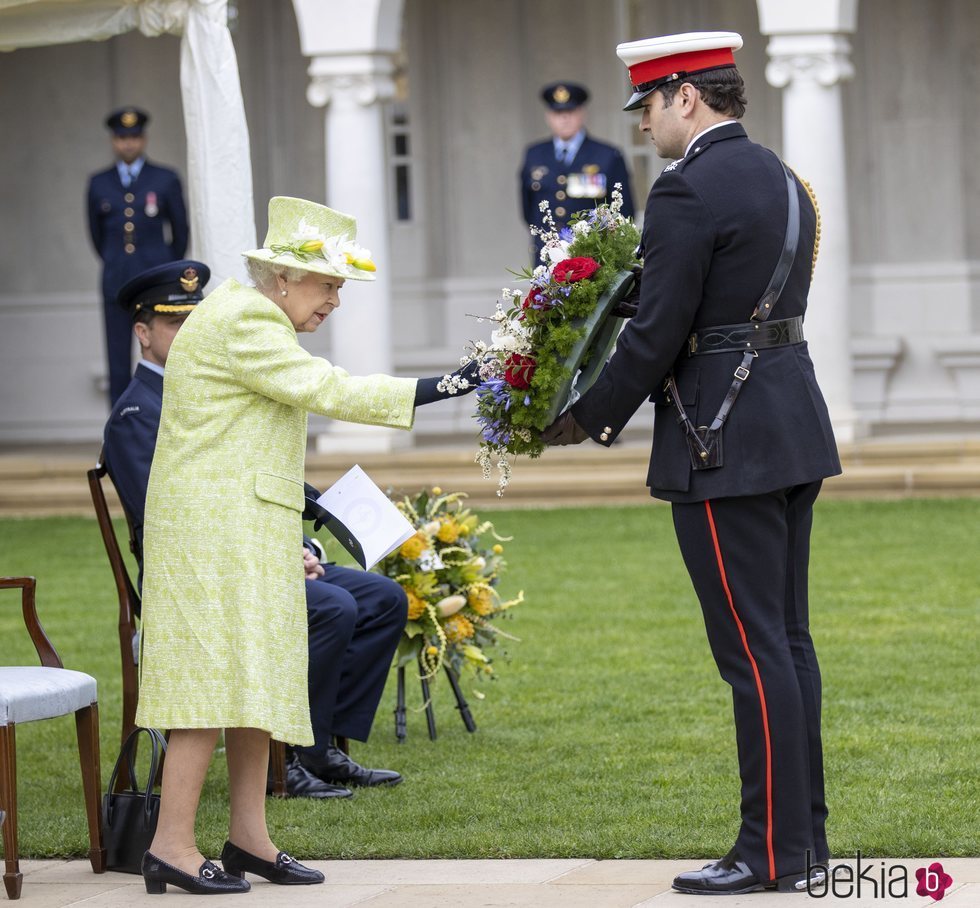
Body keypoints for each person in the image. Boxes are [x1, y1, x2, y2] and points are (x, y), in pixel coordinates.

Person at [542, 32, 841, 896]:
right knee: (785, 643)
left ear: (686, 97)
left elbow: (659, 329)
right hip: (788, 421)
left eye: (649, 106)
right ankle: (804, 843)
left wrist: (582, 416)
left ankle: (770, 853)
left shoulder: (684, 191)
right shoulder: (787, 179)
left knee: (752, 654)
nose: (642, 125)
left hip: (722, 439)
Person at [135, 197, 476, 895]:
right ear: (284, 279)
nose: (335, 302)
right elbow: (330, 389)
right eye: (329, 286)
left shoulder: (245, 314)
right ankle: (170, 845)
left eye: (341, 289)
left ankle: (248, 840)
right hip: (212, 531)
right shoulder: (248, 320)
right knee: (208, 684)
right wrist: (449, 385)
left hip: (237, 524)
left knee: (259, 676)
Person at [103, 259, 406, 803]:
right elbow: (169, 514)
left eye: (193, 318)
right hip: (205, 568)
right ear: (143, 333)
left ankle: (319, 745)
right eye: (175, 323)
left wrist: (304, 543)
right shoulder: (136, 412)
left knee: (382, 596)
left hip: (258, 544)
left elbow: (248, 468)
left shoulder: (223, 372)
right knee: (334, 607)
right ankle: (288, 758)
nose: (191, 330)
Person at [86, 107, 189, 405]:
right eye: (121, 138)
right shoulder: (98, 183)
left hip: (156, 281)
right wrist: (116, 261)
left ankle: (166, 417)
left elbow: (180, 232)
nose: (128, 143)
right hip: (116, 280)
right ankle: (120, 428)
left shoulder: (165, 178)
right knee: (117, 358)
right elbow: (96, 235)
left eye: (133, 137)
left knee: (164, 350)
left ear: (143, 139)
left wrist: (166, 269)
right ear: (113, 141)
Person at [519, 81, 634, 257]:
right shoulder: (534, 154)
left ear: (582, 114)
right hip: (547, 257)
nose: (564, 118)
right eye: (558, 113)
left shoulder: (608, 155)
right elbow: (528, 209)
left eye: (570, 112)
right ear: (548, 116)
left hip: (593, 258)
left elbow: (624, 212)